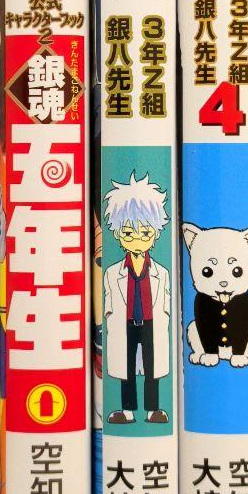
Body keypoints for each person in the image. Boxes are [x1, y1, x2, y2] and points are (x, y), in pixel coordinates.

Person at [101, 173, 171, 424]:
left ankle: (153, 409)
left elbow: (166, 301)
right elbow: (109, 303)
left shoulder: (162, 272)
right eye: (129, 233)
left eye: (145, 232)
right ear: (118, 234)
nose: (138, 240)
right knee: (126, 367)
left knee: (153, 367)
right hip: (126, 324)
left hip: (152, 323)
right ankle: (127, 410)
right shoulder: (112, 272)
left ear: (155, 233)